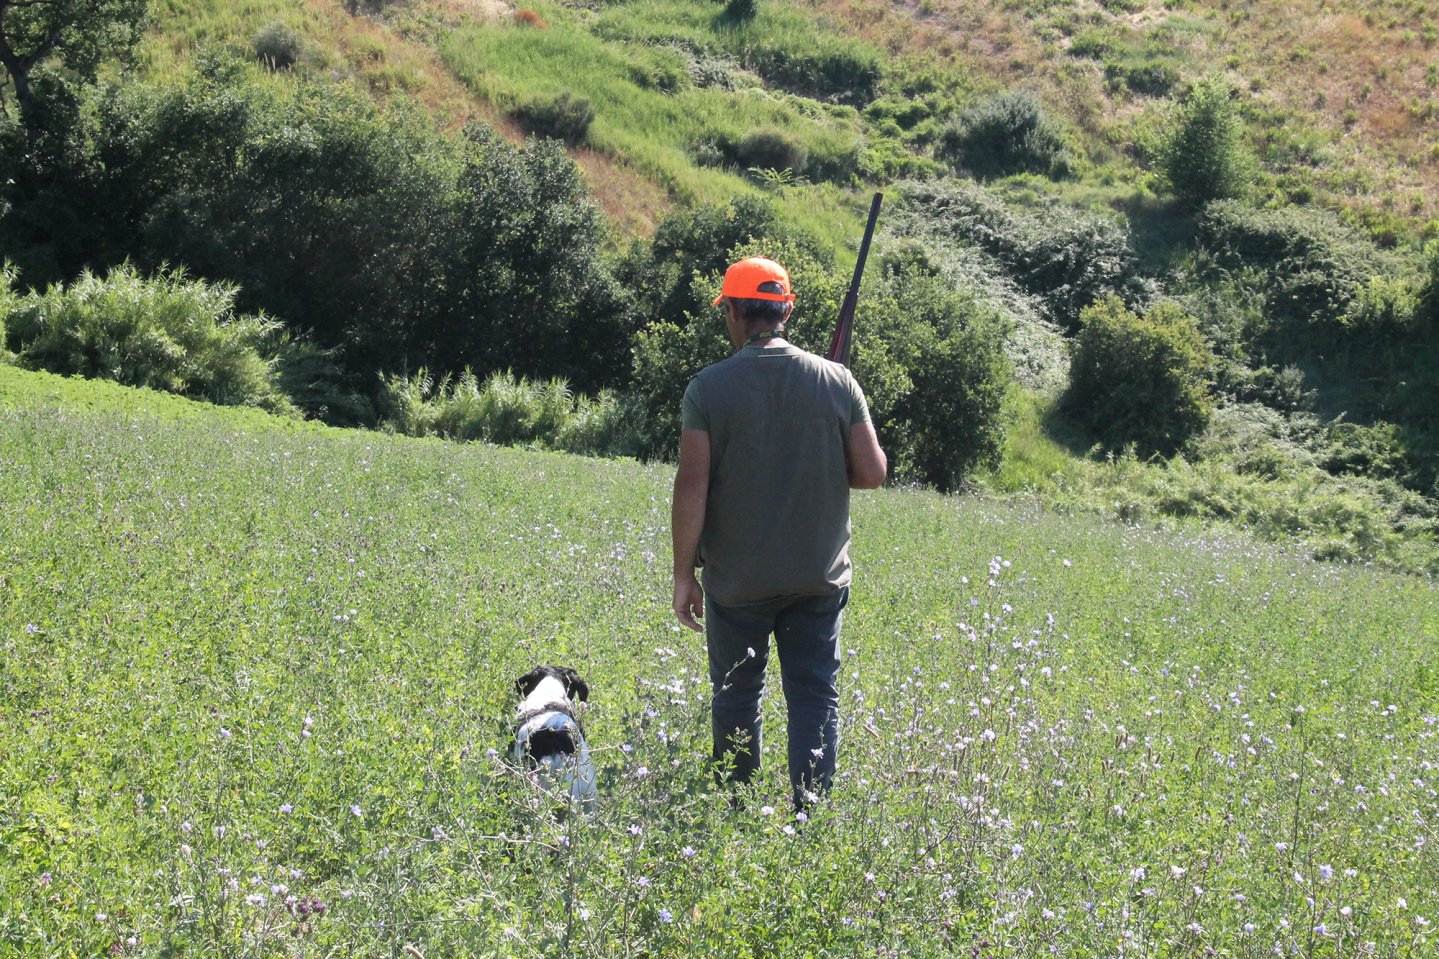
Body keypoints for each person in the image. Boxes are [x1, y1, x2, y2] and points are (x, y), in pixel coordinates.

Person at [670, 256, 887, 808]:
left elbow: (691, 488)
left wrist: (682, 574)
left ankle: (735, 811)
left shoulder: (707, 389)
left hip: (737, 581)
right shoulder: (837, 380)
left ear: (736, 314)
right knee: (815, 697)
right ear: (785, 310)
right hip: (819, 577)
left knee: (737, 694)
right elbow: (872, 473)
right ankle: (808, 817)